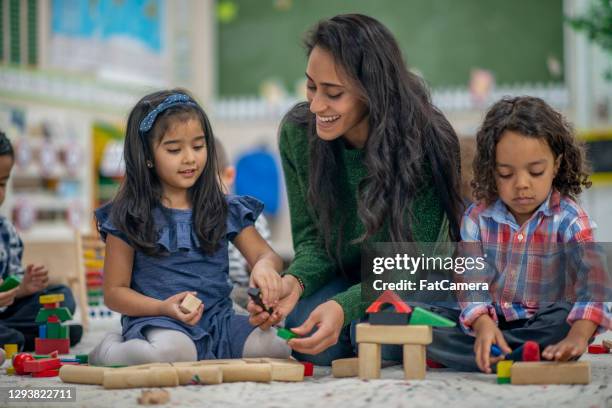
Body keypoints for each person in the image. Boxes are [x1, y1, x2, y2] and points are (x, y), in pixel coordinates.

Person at [248, 14, 463, 365]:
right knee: (303, 327)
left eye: (333, 93)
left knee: (382, 327)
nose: (317, 106)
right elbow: (314, 243)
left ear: (373, 93)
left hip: (414, 277)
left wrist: (342, 308)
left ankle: (361, 327)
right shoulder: (298, 134)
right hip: (345, 275)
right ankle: (353, 327)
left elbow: (406, 262)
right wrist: (295, 283)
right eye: (311, 87)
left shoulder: (427, 141)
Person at [88, 90, 290, 365]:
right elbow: (114, 292)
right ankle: (109, 349)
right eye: (174, 149)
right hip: (159, 320)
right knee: (175, 352)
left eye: (198, 146)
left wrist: (265, 267)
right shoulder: (128, 215)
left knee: (279, 346)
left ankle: (206, 348)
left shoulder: (223, 207)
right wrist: (163, 307)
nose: (189, 159)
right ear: (147, 155)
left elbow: (267, 255)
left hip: (219, 322)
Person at [442, 96, 611, 372]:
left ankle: (481, 354)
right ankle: (516, 351)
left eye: (536, 171)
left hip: (546, 321)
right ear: (491, 171)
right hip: (493, 321)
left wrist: (579, 336)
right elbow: (470, 283)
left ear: (556, 165)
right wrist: (483, 325)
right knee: (424, 317)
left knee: (563, 316)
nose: (521, 184)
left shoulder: (569, 220)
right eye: (506, 174)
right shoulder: (476, 218)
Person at [0, 131, 82, 351]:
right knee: (16, 337)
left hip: (7, 313)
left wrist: (24, 287)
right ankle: (23, 337)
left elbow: (13, 283)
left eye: (2, 184)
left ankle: (15, 336)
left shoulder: (6, 229)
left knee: (63, 296)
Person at [215, 138, 273, 310]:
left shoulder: (246, 215)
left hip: (242, 290)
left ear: (229, 176)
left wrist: (257, 266)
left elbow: (263, 259)